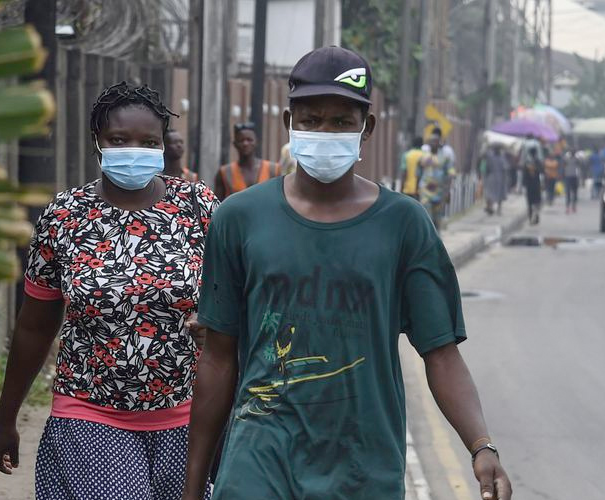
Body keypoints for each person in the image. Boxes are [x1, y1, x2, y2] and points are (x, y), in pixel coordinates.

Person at [182, 46, 511, 500]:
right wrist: (194, 484)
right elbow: (218, 357)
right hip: (258, 463)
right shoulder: (239, 218)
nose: (324, 131)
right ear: (288, 124)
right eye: (311, 119)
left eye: (341, 122)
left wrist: (481, 446)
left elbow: (441, 353)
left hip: (362, 469)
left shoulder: (404, 224)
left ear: (366, 128)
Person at [0, 82, 219, 500]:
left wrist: (218, 324)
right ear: (98, 142)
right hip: (89, 412)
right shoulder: (64, 216)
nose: (134, 149)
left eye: (148, 141)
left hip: (187, 417)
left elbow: (234, 297)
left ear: (163, 145)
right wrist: (6, 419)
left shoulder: (197, 206)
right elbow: (35, 327)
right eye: (119, 139)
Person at [214, 122, 282, 199]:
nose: (245, 143)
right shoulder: (225, 172)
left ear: (256, 142)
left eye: (249, 140)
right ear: (235, 144)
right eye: (241, 140)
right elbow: (217, 206)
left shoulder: (273, 170)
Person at [419, 130, 456, 230]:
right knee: (427, 216)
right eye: (431, 141)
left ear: (439, 142)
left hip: (439, 191)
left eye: (435, 141)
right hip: (425, 190)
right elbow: (418, 171)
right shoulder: (423, 155)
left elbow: (450, 173)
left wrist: (448, 191)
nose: (433, 143)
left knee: (437, 217)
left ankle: (437, 237)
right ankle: (428, 239)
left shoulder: (445, 156)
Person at [481, 142, 508, 215]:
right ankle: (491, 207)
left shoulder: (497, 157)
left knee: (492, 193)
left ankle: (494, 208)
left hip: (495, 177)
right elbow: (505, 168)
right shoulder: (493, 156)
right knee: (491, 193)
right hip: (496, 177)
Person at [523, 147, 543, 225]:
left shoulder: (530, 162)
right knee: (534, 202)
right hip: (534, 184)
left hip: (532, 185)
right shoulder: (537, 162)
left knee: (531, 203)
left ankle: (533, 217)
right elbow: (541, 172)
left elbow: (524, 175)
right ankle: (533, 217)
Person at [562, 149, 581, 214]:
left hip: (571, 177)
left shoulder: (571, 159)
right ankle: (570, 207)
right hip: (571, 177)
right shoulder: (571, 159)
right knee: (571, 193)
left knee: (571, 193)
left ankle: (571, 207)